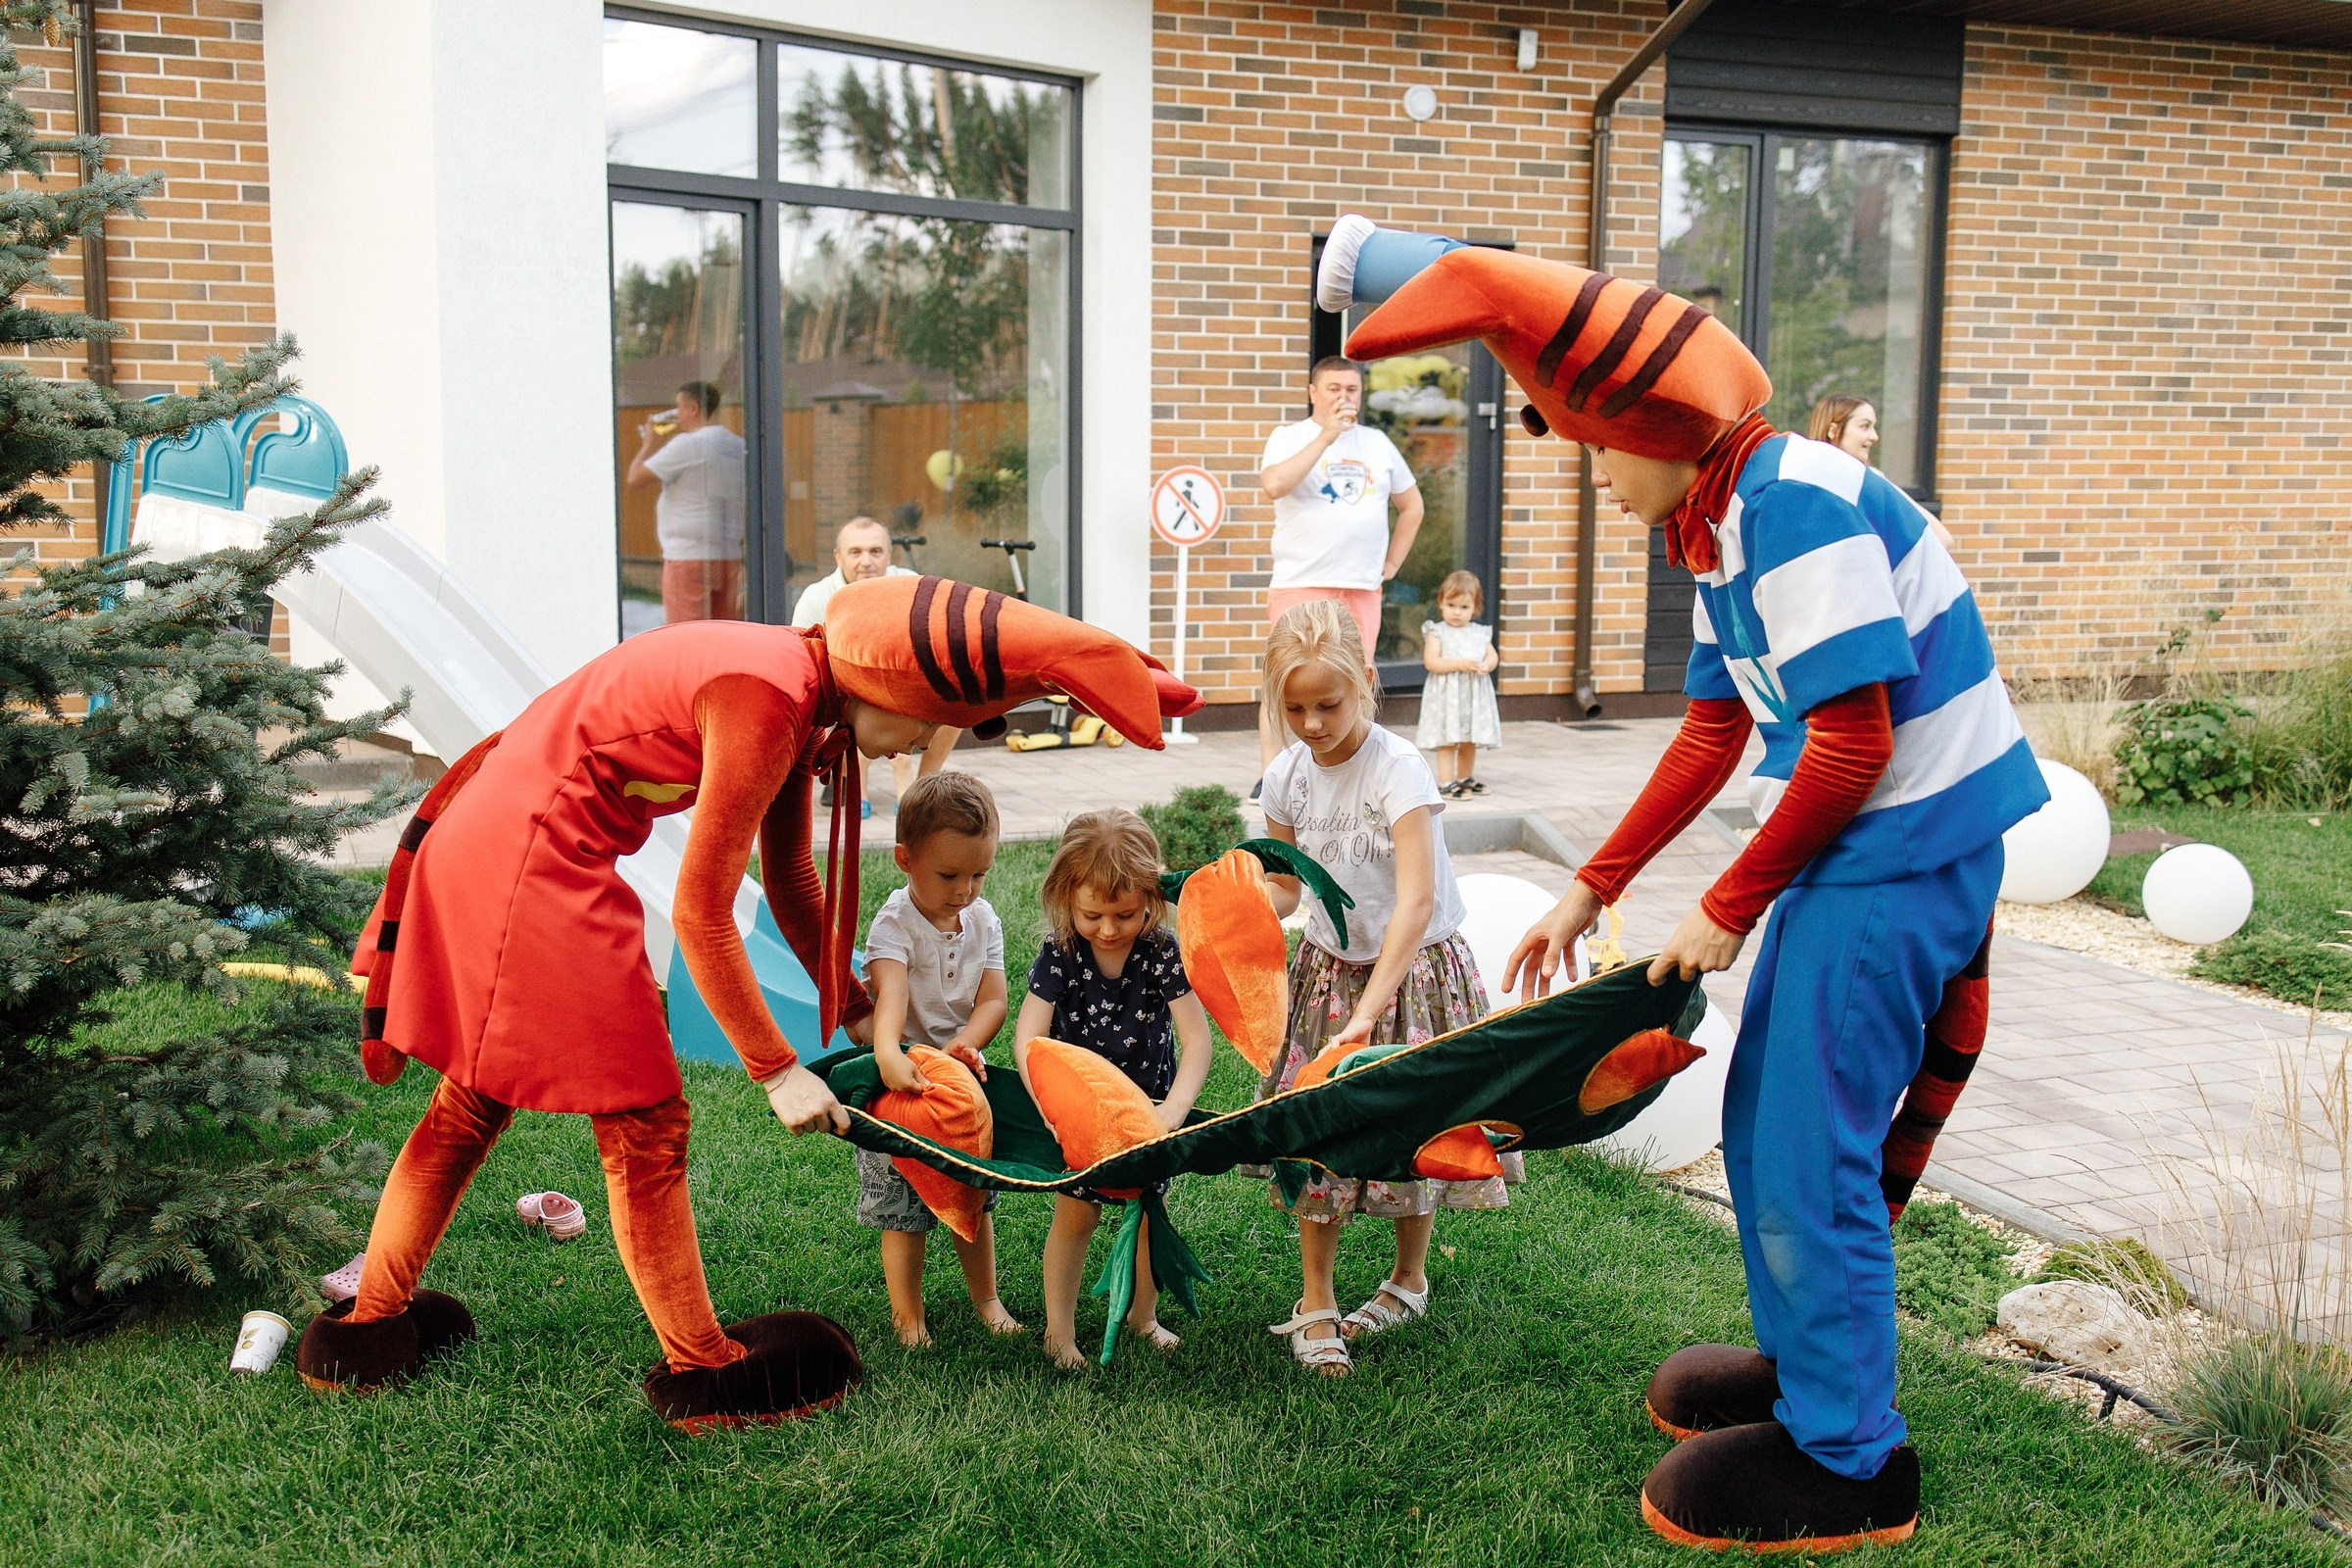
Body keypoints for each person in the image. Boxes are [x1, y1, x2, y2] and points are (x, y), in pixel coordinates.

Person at [1316, 219, 2045, 1548]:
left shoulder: (1794, 504)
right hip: (1859, 847)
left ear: (1652, 423)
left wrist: (1723, 908)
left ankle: (1852, 1457)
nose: (1594, 476)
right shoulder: (1720, 521)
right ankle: (1805, 1371)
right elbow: (1715, 732)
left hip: (1903, 852)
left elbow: (1856, 744)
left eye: (1595, 446)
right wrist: (1594, 886)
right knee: (1769, 1125)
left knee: (1811, 1145)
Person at [291, 574, 1200, 1432]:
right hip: (530, 862)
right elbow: (700, 908)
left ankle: (371, 1328)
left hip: (490, 843)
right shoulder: (765, 696)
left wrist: (852, 1008)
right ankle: (702, 1370)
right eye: (925, 721)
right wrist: (776, 1070)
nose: (917, 746)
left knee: (469, 1107)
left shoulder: (800, 691)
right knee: (645, 1126)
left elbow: (792, 879)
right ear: (885, 684)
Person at [1253, 600, 1509, 1379]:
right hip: (1328, 973)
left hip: (1414, 973)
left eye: (1328, 705)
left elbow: (1416, 900)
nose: (1312, 724)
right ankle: (1317, 1300)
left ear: (1366, 681)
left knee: (1414, 1130)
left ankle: (1408, 1279)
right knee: (1320, 1130)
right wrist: (1230, 910)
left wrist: (1369, 1013)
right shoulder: (1285, 776)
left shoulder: (1398, 769)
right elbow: (1286, 888)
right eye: (1294, 708)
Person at [1014, 809, 1213, 1370]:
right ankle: (1058, 1333)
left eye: (1124, 914)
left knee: (1150, 1216)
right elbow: (1027, 1038)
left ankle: (1143, 1316)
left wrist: (1174, 1110)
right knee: (1076, 1217)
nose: (1107, 928)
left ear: (1150, 898)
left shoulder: (1160, 951)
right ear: (1066, 898)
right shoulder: (1061, 952)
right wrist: (1047, 1102)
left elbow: (1197, 1040)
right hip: (1080, 1116)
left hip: (1146, 1119)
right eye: (1092, 915)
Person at [859, 772, 1021, 1348]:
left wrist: (967, 1043)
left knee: (972, 1198)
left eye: (979, 874)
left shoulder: (984, 919)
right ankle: (908, 1318)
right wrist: (888, 1053)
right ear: (905, 859)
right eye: (949, 875)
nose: (965, 890)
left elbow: (994, 999)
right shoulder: (894, 925)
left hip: (961, 1084)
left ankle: (987, 1299)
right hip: (902, 1085)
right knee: (903, 1207)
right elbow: (891, 996)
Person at [1255, 356, 1424, 776]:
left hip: (1360, 585)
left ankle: (1349, 771)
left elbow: (1412, 505)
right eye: (1333, 389)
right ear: (1313, 392)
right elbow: (1274, 485)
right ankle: (1272, 775)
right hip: (1302, 581)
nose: (1343, 397)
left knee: (1355, 681)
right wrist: (1327, 436)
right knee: (1286, 677)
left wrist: (1392, 562)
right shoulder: (1289, 436)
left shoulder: (1376, 443)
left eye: (1351, 389)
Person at [793, 516, 958, 812]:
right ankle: (851, 781)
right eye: (855, 552)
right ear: (838, 557)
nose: (866, 562)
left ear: (889, 555)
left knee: (954, 697)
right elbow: (802, 670)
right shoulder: (816, 598)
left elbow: (934, 648)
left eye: (876, 551)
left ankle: (924, 787)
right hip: (841, 698)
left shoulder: (911, 585)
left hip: (900, 690)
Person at [626, 380, 746, 624]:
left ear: (693, 408)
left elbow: (635, 478)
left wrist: (649, 444)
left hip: (687, 556)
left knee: (686, 633)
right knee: (723, 632)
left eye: (679, 408)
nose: (676, 415)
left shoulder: (688, 444)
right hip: (728, 555)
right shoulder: (737, 445)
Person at [1807, 394, 1953, 547]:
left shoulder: (1804, 482)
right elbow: (1941, 538)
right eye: (1864, 426)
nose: (1874, 436)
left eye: (1873, 427)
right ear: (1833, 430)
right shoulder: (1863, 483)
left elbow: (1941, 538)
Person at [1415, 568, 1500, 798]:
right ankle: (1446, 782)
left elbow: (1492, 656)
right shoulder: (1437, 632)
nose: (1457, 612)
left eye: (1464, 607)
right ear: (1441, 602)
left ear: (1475, 608)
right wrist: (1459, 664)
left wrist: (1487, 665)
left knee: (1469, 739)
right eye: (1451, 605)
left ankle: (1464, 777)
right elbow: (1431, 662)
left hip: (1472, 698)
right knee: (1448, 740)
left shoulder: (1480, 633)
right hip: (1447, 699)